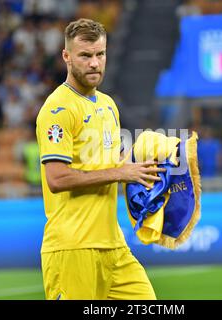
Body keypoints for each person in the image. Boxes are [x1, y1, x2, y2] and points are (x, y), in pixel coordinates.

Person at [35, 18, 165, 300]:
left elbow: (115, 164)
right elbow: (56, 178)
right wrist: (122, 173)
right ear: (67, 57)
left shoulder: (108, 105)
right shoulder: (57, 109)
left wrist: (153, 166)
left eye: (100, 54)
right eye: (85, 55)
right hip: (72, 248)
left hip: (113, 245)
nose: (95, 63)